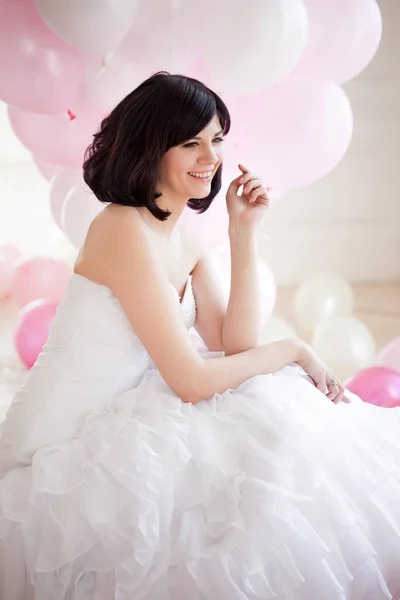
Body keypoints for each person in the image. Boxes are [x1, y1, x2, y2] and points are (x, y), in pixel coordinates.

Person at [0, 72, 399, 600]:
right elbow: (191, 379)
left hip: (117, 411)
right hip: (55, 442)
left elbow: (233, 343)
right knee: (261, 394)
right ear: (151, 147)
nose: (210, 156)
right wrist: (294, 348)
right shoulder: (121, 227)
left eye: (216, 139)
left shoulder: (181, 237)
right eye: (190, 142)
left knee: (268, 406)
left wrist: (243, 231)